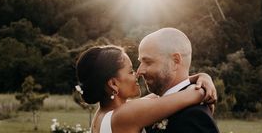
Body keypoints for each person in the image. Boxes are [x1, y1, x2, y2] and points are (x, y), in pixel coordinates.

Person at [76, 44, 217, 133]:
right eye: (130, 71)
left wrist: (201, 76)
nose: (137, 74)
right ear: (113, 84)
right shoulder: (125, 115)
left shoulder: (102, 115)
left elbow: (161, 96)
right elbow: (196, 93)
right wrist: (205, 83)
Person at [137, 28, 220, 133]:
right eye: (140, 62)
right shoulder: (150, 107)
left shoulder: (194, 116)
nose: (139, 71)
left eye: (148, 62)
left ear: (175, 61)